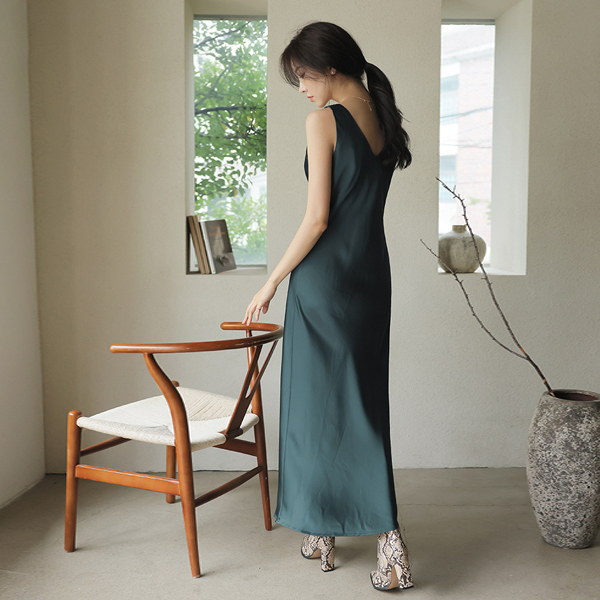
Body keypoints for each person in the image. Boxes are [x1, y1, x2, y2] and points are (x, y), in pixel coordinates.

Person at [243, 20, 413, 591]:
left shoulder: (324, 121)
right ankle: (324, 525)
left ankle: (388, 538)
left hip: (324, 283)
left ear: (330, 67)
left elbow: (317, 219)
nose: (301, 88)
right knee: (359, 404)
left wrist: (270, 281)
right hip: (370, 277)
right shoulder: (382, 118)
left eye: (303, 76)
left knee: (318, 409)